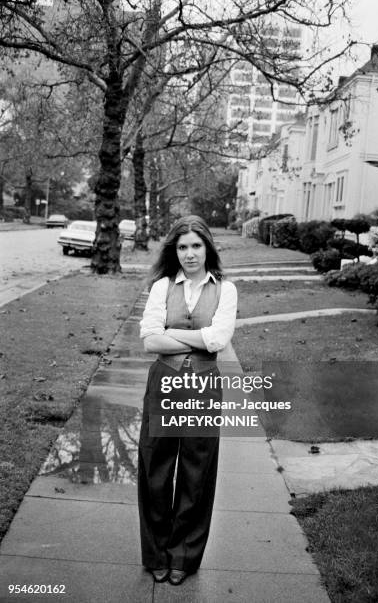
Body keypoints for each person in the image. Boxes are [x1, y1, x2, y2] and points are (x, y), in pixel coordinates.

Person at [138, 215, 237, 586]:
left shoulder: (225, 289)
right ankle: (156, 553)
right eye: (182, 247)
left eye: (196, 246)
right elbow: (150, 340)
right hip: (164, 382)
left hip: (204, 387)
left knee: (197, 472)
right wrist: (198, 335)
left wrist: (173, 333)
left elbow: (219, 340)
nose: (190, 254)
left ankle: (183, 556)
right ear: (173, 251)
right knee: (156, 470)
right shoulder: (162, 285)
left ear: (207, 247)